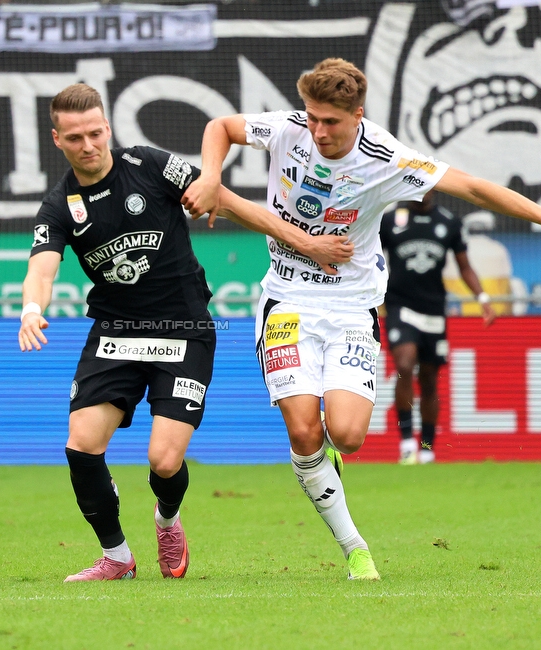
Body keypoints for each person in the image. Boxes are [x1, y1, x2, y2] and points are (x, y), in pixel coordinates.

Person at [182, 57, 541, 581]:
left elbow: (474, 187)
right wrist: (212, 176)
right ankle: (354, 548)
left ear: (357, 115)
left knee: (347, 436)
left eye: (331, 121)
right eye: (312, 117)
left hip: (351, 306)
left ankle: (327, 461)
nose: (318, 131)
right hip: (287, 299)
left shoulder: (386, 157)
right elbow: (221, 127)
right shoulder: (288, 128)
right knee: (303, 430)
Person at [18, 83, 347, 582]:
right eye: (75, 137)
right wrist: (30, 309)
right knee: (81, 445)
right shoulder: (60, 205)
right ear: (57, 139)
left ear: (107, 127)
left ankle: (167, 520)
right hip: (116, 332)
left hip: (184, 330)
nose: (88, 145)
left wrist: (306, 243)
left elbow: (229, 202)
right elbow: (42, 269)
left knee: (164, 461)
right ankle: (117, 557)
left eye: (95, 133)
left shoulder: (149, 166)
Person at [379, 190, 495, 465]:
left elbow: (464, 266)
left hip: (433, 309)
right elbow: (370, 258)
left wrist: (482, 298)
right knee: (404, 365)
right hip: (400, 306)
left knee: (429, 380)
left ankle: (427, 447)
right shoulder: (390, 219)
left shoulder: (448, 222)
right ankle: (407, 443)